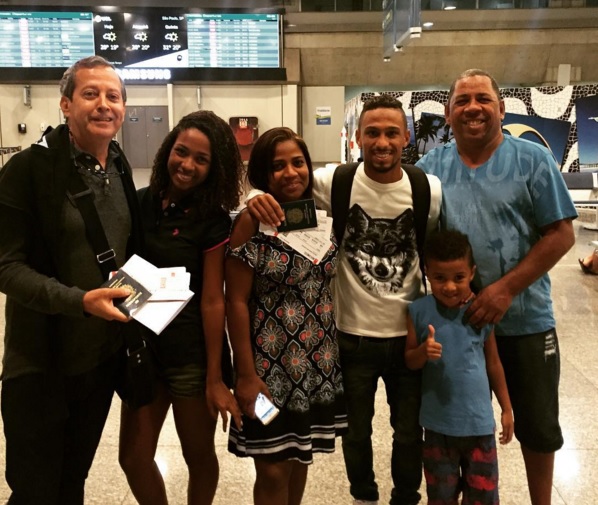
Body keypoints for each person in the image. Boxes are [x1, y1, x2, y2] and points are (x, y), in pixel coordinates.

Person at [246, 96, 442, 505]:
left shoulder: (428, 189)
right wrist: (252, 196)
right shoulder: (334, 182)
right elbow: (284, 183)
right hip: (351, 336)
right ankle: (363, 495)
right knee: (356, 430)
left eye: (392, 132)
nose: (382, 142)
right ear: (357, 138)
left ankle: (406, 496)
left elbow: (438, 256)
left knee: (410, 431)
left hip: (409, 336)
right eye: (372, 132)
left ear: (406, 137)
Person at [417, 68, 578, 505]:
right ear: (448, 113)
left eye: (483, 99)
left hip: (526, 322)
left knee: (538, 428)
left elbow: (562, 234)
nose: (473, 107)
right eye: (462, 100)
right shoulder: (430, 170)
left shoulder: (532, 160)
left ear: (502, 109)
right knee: (454, 428)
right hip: (459, 327)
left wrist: (505, 290)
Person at [0, 56, 143, 504]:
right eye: (90, 94)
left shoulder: (118, 166)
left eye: (113, 96)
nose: (104, 104)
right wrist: (77, 301)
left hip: (97, 361)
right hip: (40, 362)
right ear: (65, 105)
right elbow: (6, 266)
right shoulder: (27, 170)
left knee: (72, 482)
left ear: (123, 109)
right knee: (34, 491)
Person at [118, 110, 243, 505]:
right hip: (144, 350)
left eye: (201, 159)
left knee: (198, 456)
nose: (187, 165)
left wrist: (214, 378)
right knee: (133, 458)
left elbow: (213, 299)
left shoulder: (212, 220)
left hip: (191, 356)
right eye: (181, 152)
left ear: (214, 168)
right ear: (167, 150)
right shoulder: (140, 203)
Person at [225, 127, 347, 505]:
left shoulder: (314, 215)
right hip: (268, 372)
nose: (291, 173)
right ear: (263, 173)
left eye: (298, 163)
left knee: (298, 457)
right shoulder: (252, 221)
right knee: (273, 468)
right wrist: (245, 376)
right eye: (278, 166)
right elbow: (235, 301)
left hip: (314, 367)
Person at [405, 229, 514, 505]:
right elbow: (410, 360)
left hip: (479, 426)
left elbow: (494, 362)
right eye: (439, 278)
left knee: (483, 497)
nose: (450, 287)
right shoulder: (418, 311)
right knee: (441, 498)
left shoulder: (480, 310)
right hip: (438, 428)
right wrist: (423, 351)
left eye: (459, 278)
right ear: (427, 273)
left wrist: (506, 408)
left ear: (472, 273)